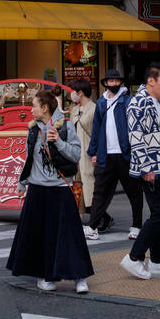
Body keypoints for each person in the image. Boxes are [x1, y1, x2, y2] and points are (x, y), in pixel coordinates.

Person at [6, 89, 93, 294]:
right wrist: (22, 184)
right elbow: (29, 159)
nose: (31, 109)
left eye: (34, 106)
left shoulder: (65, 126)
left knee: (70, 235)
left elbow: (75, 155)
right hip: (37, 189)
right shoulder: (33, 129)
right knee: (39, 236)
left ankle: (79, 278)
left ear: (45, 108)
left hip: (61, 188)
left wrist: (59, 142)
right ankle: (43, 276)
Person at [120, 63, 160, 280]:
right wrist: (146, 167)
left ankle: (157, 260)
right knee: (159, 214)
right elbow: (135, 137)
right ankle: (134, 257)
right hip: (152, 168)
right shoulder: (138, 103)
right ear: (151, 81)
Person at [86, 69, 143, 240]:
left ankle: (136, 226)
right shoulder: (101, 102)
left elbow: (136, 126)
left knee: (134, 191)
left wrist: (136, 151)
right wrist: (94, 152)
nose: (114, 84)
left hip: (125, 154)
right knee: (100, 192)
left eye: (116, 81)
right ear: (106, 83)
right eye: (110, 81)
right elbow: (96, 129)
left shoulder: (128, 101)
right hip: (106, 154)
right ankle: (93, 227)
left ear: (120, 83)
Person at [68, 79, 97, 229]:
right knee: (77, 183)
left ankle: (98, 215)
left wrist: (96, 152)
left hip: (89, 152)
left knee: (90, 183)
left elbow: (98, 133)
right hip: (76, 152)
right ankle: (78, 214)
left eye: (73, 91)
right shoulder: (74, 109)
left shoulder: (94, 108)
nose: (71, 94)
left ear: (80, 93)